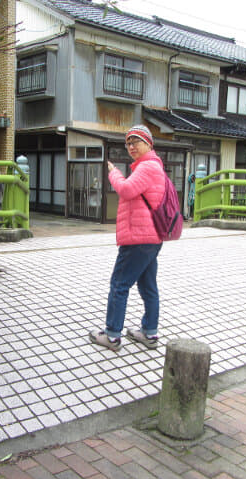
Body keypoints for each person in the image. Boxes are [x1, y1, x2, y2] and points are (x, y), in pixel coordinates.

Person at [89, 125, 166, 352]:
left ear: (148, 144)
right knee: (148, 286)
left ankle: (112, 336)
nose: (131, 146)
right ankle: (149, 333)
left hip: (139, 239)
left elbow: (125, 189)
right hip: (150, 238)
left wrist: (114, 172)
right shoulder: (151, 166)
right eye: (128, 143)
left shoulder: (148, 167)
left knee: (119, 285)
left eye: (136, 142)